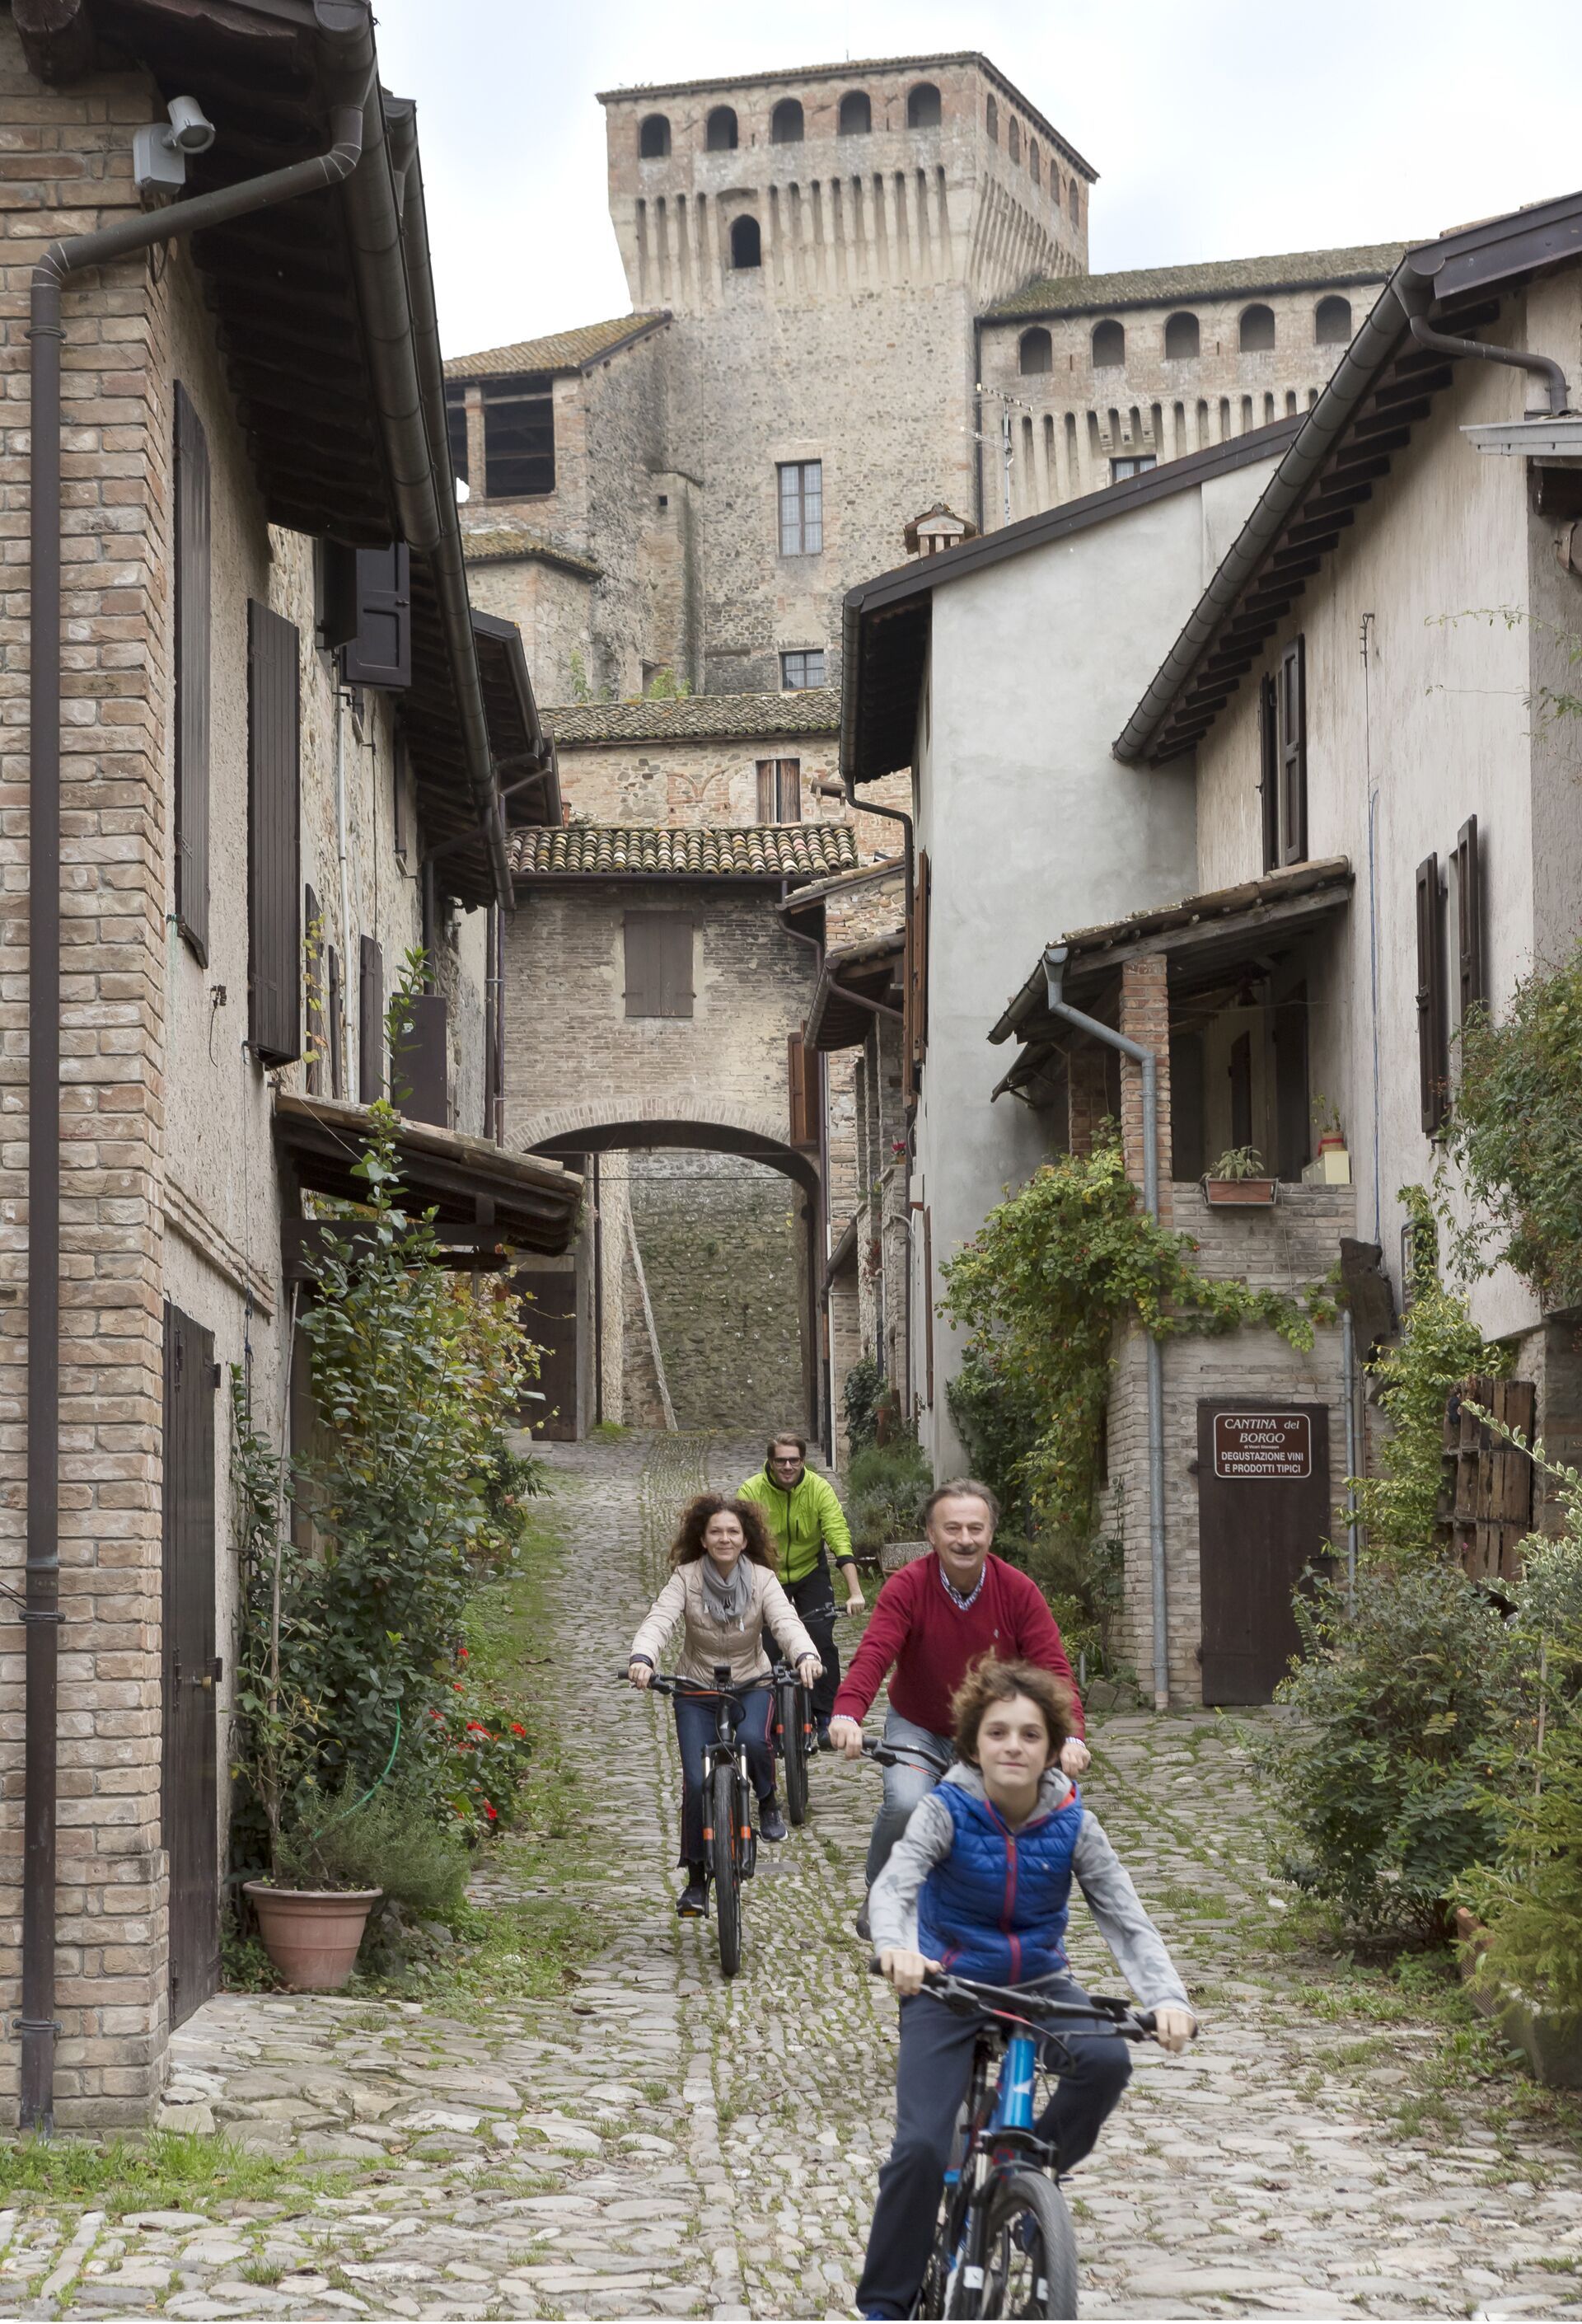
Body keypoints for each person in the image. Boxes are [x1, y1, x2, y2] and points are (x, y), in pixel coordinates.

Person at [857, 1657, 1196, 2321]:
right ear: (974, 1743)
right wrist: (897, 1948)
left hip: (1040, 1980)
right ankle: (883, 2306)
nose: (1014, 1745)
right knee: (922, 2148)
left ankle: (1033, 2178)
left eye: (1030, 1735)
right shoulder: (946, 1808)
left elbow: (1126, 1917)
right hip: (947, 1984)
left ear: (1052, 1747)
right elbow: (896, 1884)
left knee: (1106, 2060)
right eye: (999, 1732)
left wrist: (1169, 1999)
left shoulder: (1074, 1822)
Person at [828, 1478, 1089, 1933]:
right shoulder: (907, 1586)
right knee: (908, 1802)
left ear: (990, 1533)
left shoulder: (1018, 1590)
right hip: (920, 1722)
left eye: (975, 1528)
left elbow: (1054, 1670)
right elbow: (874, 1653)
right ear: (931, 1534)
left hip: (992, 1728)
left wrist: (1069, 1736)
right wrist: (848, 1712)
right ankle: (882, 1889)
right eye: (952, 1528)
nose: (964, 1539)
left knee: (1012, 1816)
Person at [629, 1492, 821, 1917]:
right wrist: (643, 1658)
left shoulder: (763, 1580)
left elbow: (786, 1623)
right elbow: (660, 1619)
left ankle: (767, 1800)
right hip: (696, 1688)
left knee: (754, 1739)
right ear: (702, 1537)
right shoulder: (686, 1578)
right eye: (716, 1531)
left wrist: (805, 1655)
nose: (724, 1538)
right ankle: (697, 1879)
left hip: (751, 1681)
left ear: (744, 1538)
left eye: (732, 1531)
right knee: (697, 1782)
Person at [738, 1431, 863, 1749]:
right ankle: (767, 1719)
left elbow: (838, 1535)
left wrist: (855, 1591)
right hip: (767, 1574)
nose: (788, 1466)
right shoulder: (752, 1490)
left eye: (794, 1460)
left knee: (820, 1638)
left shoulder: (818, 1489)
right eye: (781, 1460)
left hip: (810, 1571)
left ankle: (824, 1717)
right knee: (766, 1646)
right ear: (770, 1462)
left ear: (803, 1461)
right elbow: (738, 1541)